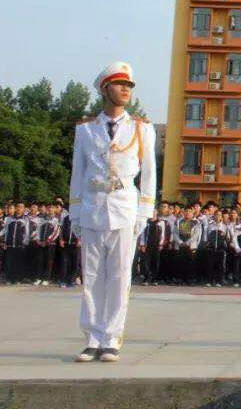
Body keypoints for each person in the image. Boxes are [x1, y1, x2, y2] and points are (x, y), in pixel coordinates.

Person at [69, 62, 157, 362]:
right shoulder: (85, 130)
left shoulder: (141, 128)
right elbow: (77, 174)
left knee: (119, 276)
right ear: (105, 89)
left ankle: (111, 337)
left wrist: (145, 212)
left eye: (129, 86)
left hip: (124, 208)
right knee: (91, 276)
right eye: (120, 85)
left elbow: (149, 175)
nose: (126, 90)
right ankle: (92, 336)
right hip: (93, 207)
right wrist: (75, 212)